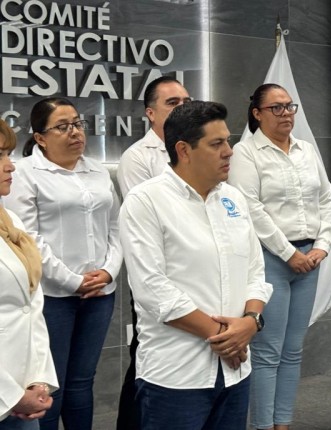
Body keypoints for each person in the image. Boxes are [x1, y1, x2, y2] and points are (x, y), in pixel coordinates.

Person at [119, 101, 271, 430]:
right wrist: (225, 338)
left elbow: (255, 272)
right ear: (184, 150)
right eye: (216, 144)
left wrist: (251, 321)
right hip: (177, 374)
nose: (229, 151)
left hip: (235, 372)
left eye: (227, 141)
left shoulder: (233, 199)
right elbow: (153, 290)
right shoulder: (145, 201)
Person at [5, 98, 123, 430]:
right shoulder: (25, 173)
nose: (75, 132)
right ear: (40, 137)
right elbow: (28, 238)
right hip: (53, 297)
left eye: (77, 123)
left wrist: (109, 271)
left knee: (82, 382)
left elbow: (116, 226)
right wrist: (73, 281)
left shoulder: (97, 170)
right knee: (49, 386)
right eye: (62, 126)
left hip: (101, 293)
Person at [228, 83, 331, 430]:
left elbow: (326, 199)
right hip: (270, 259)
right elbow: (250, 207)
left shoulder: (306, 150)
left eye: (290, 106)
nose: (286, 113)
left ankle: (283, 424)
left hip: (310, 258)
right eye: (276, 107)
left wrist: (322, 245)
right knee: (267, 351)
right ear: (257, 113)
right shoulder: (246, 152)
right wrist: (289, 253)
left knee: (293, 350)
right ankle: (263, 425)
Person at [115, 75, 191, 430]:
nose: (182, 108)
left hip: (198, 271)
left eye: (186, 101)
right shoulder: (137, 157)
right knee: (145, 358)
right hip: (158, 272)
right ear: (150, 113)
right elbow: (148, 220)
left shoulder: (197, 149)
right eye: (173, 103)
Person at [0, 119, 58, 429]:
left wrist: (38, 380)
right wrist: (9, 395)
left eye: (8, 154)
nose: (10, 166)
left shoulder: (12, 222)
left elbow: (32, 307)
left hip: (23, 391)